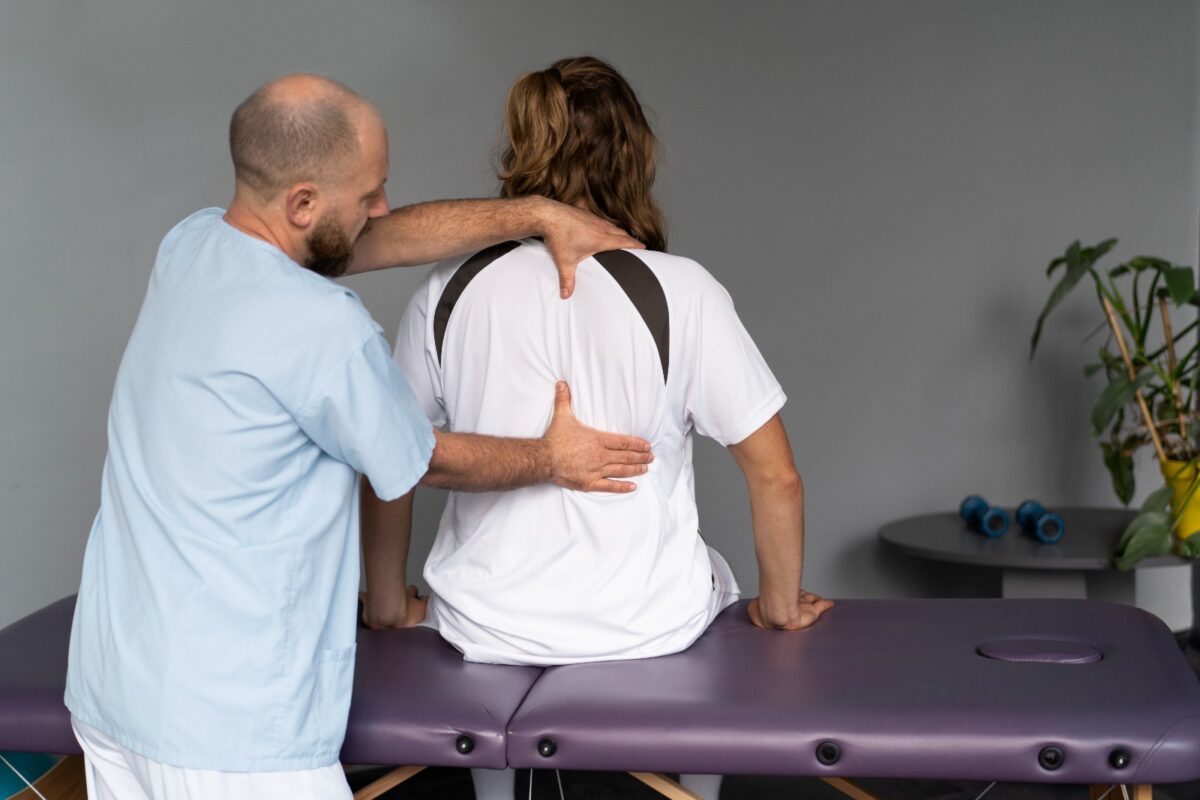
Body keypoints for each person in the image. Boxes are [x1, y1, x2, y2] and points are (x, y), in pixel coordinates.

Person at [63, 73, 652, 800]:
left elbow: (378, 241)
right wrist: (553, 456)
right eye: (369, 193)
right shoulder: (325, 327)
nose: (382, 208)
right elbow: (423, 459)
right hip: (230, 732)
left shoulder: (191, 244)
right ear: (302, 204)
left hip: (115, 689)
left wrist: (536, 214)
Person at [362, 56, 832, 799]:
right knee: (716, 581)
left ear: (522, 150)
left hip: (484, 624)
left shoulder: (446, 291)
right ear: (635, 156)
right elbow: (776, 475)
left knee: (488, 626)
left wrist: (389, 604)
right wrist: (779, 608)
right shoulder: (684, 290)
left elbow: (386, 461)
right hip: (645, 625)